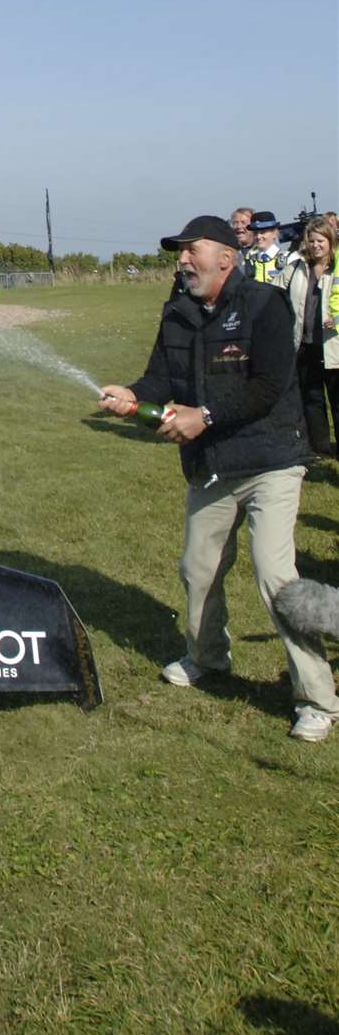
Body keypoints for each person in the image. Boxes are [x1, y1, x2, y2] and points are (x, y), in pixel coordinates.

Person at [99, 215, 339, 742]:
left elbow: (269, 386)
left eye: (192, 251)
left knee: (274, 574)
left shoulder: (265, 305)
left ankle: (318, 698)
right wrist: (135, 395)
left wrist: (200, 416)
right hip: (211, 466)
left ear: (226, 258)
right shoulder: (178, 312)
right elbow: (163, 376)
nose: (183, 260)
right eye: (179, 253)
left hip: (272, 459)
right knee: (198, 568)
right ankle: (207, 657)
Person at [279, 218, 339, 458]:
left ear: (330, 241)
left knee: (337, 402)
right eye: (311, 241)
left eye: (320, 241)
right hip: (305, 346)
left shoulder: (337, 267)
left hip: (333, 346)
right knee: (311, 401)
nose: (315, 245)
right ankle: (320, 449)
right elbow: (274, 293)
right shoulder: (295, 267)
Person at [247, 210, 287, 285]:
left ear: (275, 233)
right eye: (255, 233)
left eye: (263, 232)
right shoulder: (248, 261)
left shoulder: (288, 258)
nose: (258, 237)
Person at [230, 206, 255, 277]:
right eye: (235, 223)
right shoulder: (229, 253)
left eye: (243, 222)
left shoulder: (263, 250)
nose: (239, 226)